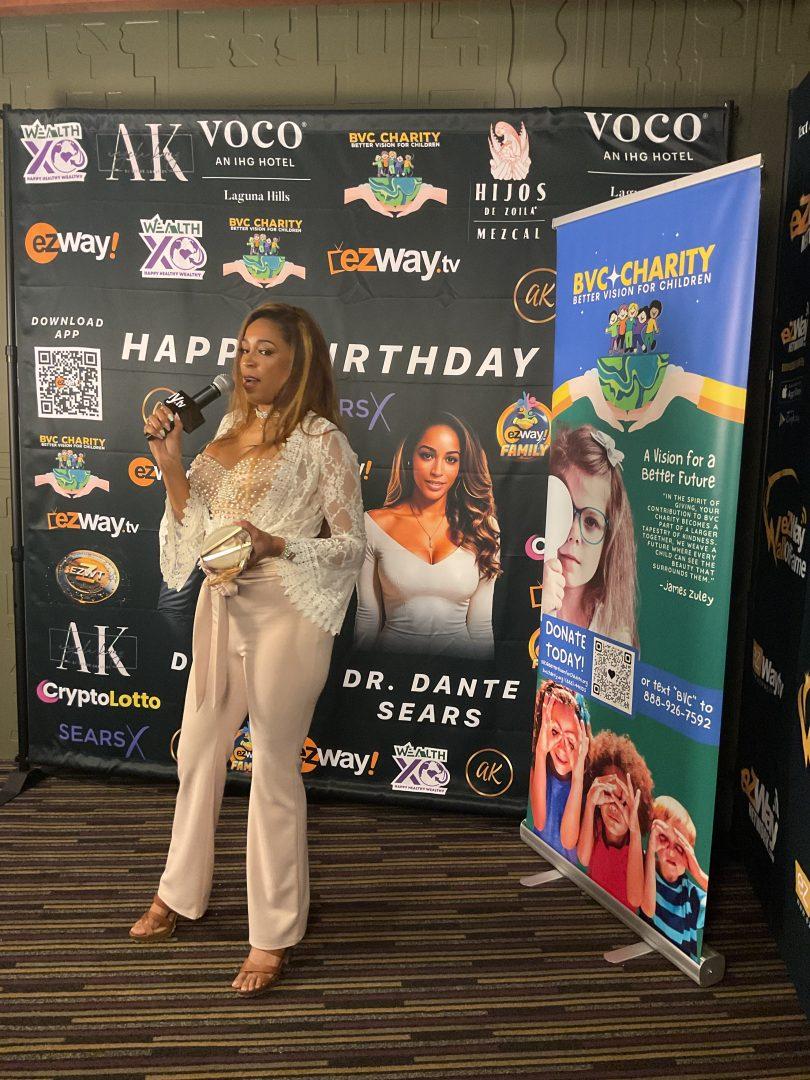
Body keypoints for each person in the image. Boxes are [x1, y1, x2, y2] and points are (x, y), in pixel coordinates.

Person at [128, 302, 365, 998]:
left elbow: (353, 546)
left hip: (288, 611)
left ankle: (273, 933)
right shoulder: (228, 428)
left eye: (265, 350)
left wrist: (277, 542)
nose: (248, 362)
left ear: (298, 363)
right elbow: (191, 527)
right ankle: (178, 893)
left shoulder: (323, 442)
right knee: (198, 750)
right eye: (243, 349)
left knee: (273, 769)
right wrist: (171, 463)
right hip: (220, 606)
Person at [354, 412, 500, 658]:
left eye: (451, 459)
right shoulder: (373, 524)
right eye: (427, 455)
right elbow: (368, 617)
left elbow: (481, 625)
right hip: (391, 668)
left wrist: (486, 677)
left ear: (461, 467)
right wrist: (360, 671)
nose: (437, 470)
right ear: (410, 457)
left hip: (458, 673)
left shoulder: (483, 528)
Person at [541, 424, 638, 649]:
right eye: (563, 509)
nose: (573, 534)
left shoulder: (614, 632)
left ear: (608, 540)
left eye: (591, 522)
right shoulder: (518, 595)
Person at [577, 730, 653, 909]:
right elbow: (583, 859)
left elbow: (635, 900)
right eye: (607, 794)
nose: (614, 806)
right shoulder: (595, 827)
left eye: (623, 801)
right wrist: (590, 803)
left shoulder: (636, 851)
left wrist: (634, 830)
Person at [529, 680, 591, 862]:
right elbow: (538, 822)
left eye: (571, 741)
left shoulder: (586, 785)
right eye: (555, 732)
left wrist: (577, 779)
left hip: (568, 873)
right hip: (536, 855)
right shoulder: (538, 766)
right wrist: (541, 752)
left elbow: (568, 841)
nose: (562, 747)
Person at [641, 795, 709, 961]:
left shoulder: (691, 895)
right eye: (664, 839)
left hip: (681, 965)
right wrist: (651, 850)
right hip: (646, 954)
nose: (671, 852)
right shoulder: (643, 865)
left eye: (680, 847)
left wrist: (697, 872)